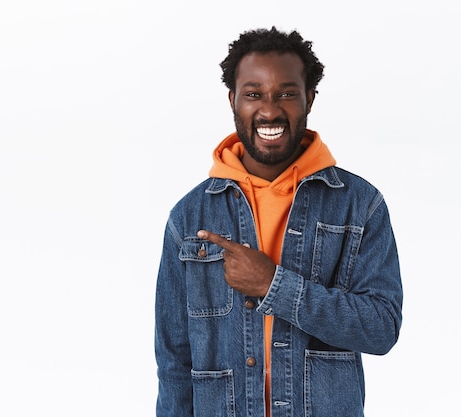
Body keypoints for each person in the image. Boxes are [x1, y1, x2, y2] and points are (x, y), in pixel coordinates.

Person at [154, 27, 403, 417]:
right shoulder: (188, 218)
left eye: (286, 93)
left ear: (310, 99)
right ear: (233, 100)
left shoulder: (359, 205)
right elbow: (174, 363)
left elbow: (381, 327)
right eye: (254, 94)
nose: (269, 110)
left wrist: (275, 285)